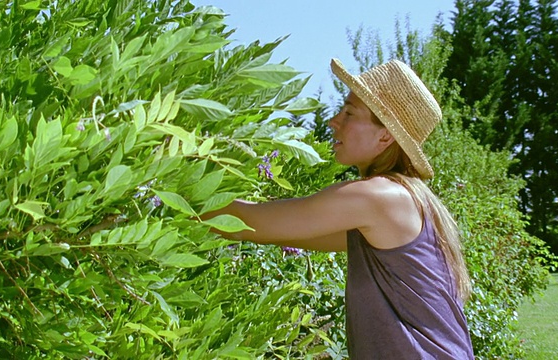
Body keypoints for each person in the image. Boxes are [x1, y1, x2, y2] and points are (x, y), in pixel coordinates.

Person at [203, 58, 474, 359]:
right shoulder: (403, 201)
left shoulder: (377, 198)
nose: (335, 121)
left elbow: (251, 222)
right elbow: (266, 231)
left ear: (385, 136)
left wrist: (171, 193)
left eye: (349, 113)